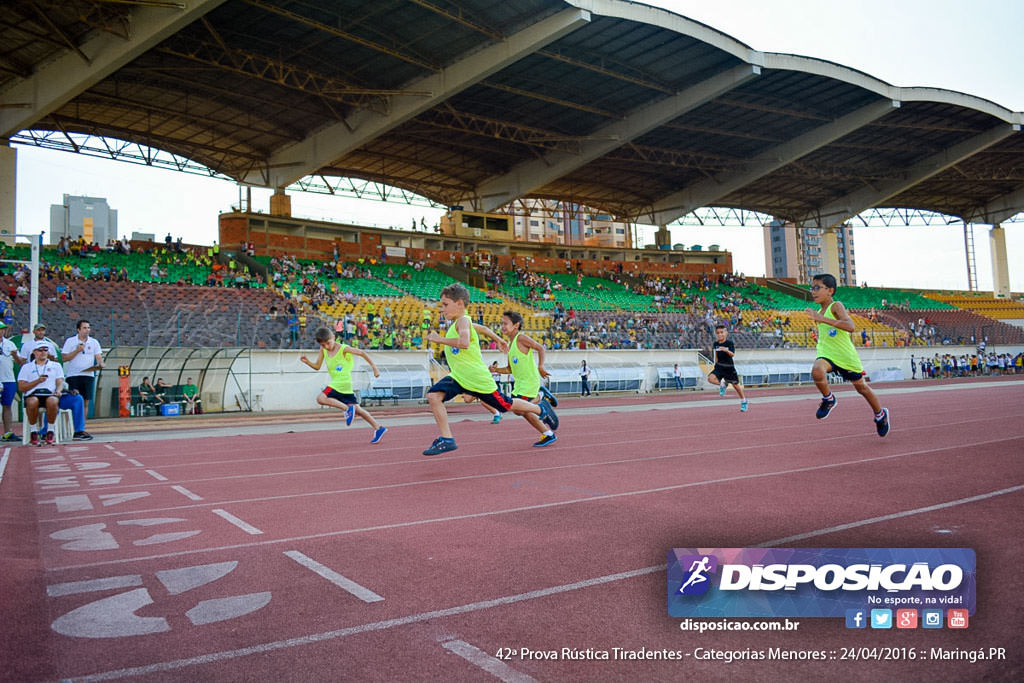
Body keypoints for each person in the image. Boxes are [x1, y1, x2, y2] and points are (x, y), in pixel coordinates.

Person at [422, 284, 558, 455]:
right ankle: (447, 439)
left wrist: (439, 339)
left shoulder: (463, 321)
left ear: (459, 304)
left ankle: (541, 408)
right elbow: (483, 329)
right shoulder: (462, 322)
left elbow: (464, 342)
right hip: (460, 376)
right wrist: (498, 339)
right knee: (433, 396)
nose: (442, 309)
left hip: (476, 378)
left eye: (445, 304)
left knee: (506, 405)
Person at [805, 273, 890, 437]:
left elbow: (850, 326)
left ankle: (880, 415)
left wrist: (821, 318)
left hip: (845, 356)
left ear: (830, 290)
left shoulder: (836, 306)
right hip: (827, 354)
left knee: (862, 388)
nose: (813, 291)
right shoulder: (818, 312)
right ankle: (829, 399)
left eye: (817, 287)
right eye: (812, 288)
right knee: (816, 371)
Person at [300, 327, 387, 444]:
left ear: (333, 338)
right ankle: (379, 428)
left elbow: (362, 353)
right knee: (359, 410)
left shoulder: (343, 348)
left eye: (328, 343)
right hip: (343, 385)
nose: (326, 346)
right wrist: (308, 362)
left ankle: (347, 409)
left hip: (341, 382)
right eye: (323, 344)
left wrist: (374, 368)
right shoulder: (323, 350)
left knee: (321, 398)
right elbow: (317, 367)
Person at [487, 311, 558, 446]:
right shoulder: (510, 345)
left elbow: (540, 348)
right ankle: (548, 434)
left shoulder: (521, 338)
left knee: (519, 409)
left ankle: (541, 396)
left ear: (516, 325)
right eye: (501, 323)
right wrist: (496, 370)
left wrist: (540, 366)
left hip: (529, 382)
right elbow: (509, 369)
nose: (502, 326)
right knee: (522, 412)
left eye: (505, 323)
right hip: (520, 384)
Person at [17, 345, 64, 445]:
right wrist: (37, 381)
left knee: (53, 401)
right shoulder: (26, 367)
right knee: (32, 402)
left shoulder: (56, 366)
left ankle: (50, 430)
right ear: (34, 352)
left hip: (49, 394)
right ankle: (33, 431)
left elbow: (60, 381)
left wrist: (59, 390)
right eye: (40, 350)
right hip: (32, 394)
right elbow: (21, 387)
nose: (43, 352)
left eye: (45, 350)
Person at [61, 319, 105, 419]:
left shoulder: (94, 342)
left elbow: (98, 356)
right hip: (73, 375)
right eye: (84, 328)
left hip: (88, 375)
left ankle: (82, 426)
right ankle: (71, 425)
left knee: (85, 401)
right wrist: (77, 350)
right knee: (74, 400)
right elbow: (64, 358)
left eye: (88, 328)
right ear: (78, 329)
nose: (87, 330)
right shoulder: (70, 341)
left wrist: (101, 363)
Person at [708, 324, 748, 412]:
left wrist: (726, 350)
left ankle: (744, 401)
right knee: (710, 379)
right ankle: (723, 385)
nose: (720, 334)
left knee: (736, 386)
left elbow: (732, 354)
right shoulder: (715, 344)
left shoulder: (729, 343)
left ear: (726, 333)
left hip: (729, 367)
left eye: (722, 332)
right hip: (719, 366)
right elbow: (716, 356)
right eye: (718, 333)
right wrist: (715, 364)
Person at [0, 322, 28, 441]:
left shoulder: (9, 344)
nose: (1, 331)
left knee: (7, 406)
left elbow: (20, 362)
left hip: (8, 378)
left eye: (2, 329)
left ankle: (7, 432)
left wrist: (15, 355)